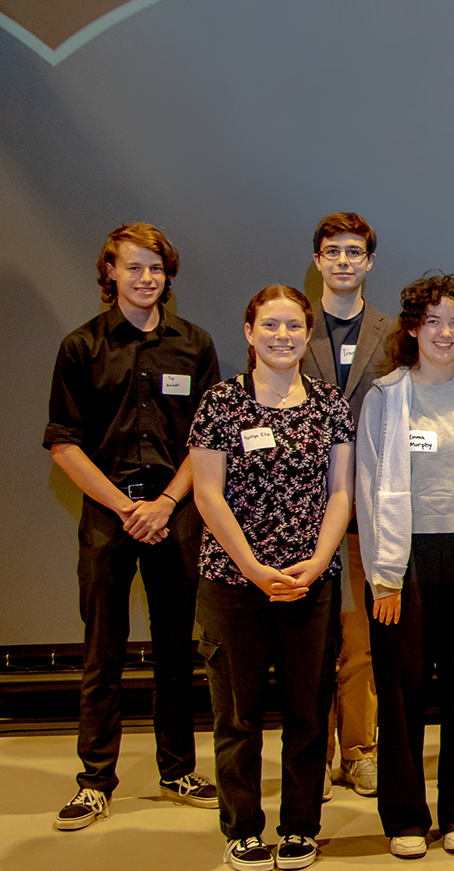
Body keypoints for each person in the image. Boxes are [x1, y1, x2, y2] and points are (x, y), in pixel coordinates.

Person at [45, 222, 221, 831]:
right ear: (110, 273)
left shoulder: (194, 345)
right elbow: (64, 445)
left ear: (167, 276)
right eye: (134, 267)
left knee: (177, 650)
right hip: (108, 516)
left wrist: (166, 504)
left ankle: (177, 770)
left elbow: (207, 442)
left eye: (156, 268)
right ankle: (95, 781)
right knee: (103, 653)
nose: (146, 278)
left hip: (175, 514)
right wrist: (127, 507)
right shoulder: (80, 347)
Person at [189, 285, 354, 871]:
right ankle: (243, 829)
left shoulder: (328, 404)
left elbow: (342, 491)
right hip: (234, 583)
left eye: (293, 327)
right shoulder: (221, 402)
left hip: (311, 581)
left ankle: (300, 827)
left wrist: (317, 561)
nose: (282, 336)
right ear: (249, 331)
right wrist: (255, 569)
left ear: (306, 336)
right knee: (238, 714)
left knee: (309, 712)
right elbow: (207, 493)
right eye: (271, 325)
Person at [356, 274, 454, 859]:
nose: (444, 333)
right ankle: (403, 816)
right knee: (399, 696)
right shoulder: (386, 397)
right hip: (404, 565)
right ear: (413, 328)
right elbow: (370, 491)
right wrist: (384, 575)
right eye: (432, 321)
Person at [301, 212, 395, 799]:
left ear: (368, 262)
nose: (342, 260)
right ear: (317, 261)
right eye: (332, 251)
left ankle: (360, 751)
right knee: (311, 642)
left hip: (366, 511)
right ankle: (314, 753)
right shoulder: (288, 324)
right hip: (300, 513)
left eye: (353, 251)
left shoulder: (391, 333)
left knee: (360, 639)